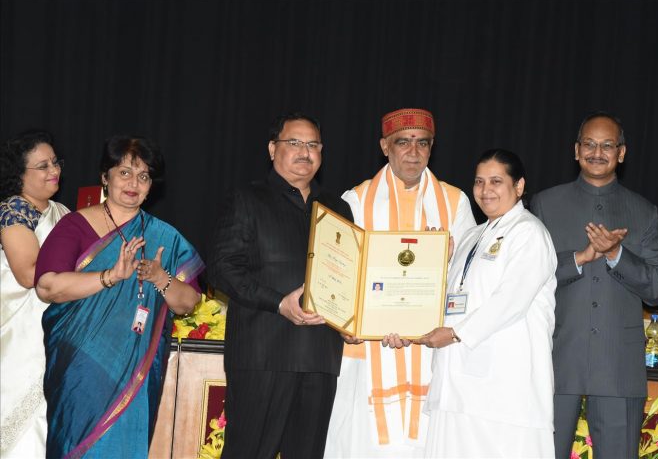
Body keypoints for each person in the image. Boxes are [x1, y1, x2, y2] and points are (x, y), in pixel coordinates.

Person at [34, 135, 203, 458]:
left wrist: (159, 277)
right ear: (105, 177)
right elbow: (48, 286)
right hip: (81, 368)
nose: (134, 183)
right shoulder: (75, 226)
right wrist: (109, 277)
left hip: (137, 371)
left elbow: (188, 303)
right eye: (124, 172)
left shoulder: (164, 237)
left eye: (143, 176)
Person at [326, 108, 475, 458]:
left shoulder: (455, 202)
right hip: (367, 351)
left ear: (432, 147)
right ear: (384, 146)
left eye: (422, 143)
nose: (413, 151)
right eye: (403, 142)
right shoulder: (356, 200)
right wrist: (345, 324)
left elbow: (470, 284)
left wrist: (450, 258)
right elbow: (339, 274)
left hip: (430, 349)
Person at [208, 113, 354, 459]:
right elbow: (222, 269)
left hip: (320, 357)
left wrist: (353, 319)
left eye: (313, 145)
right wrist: (278, 303)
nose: (305, 152)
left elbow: (349, 276)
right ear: (273, 148)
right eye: (295, 143)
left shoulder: (338, 208)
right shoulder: (246, 198)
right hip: (263, 355)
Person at [531, 112, 658, 458]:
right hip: (553, 360)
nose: (598, 152)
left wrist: (617, 254)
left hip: (618, 367)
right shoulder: (546, 205)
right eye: (590, 144)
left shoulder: (643, 211)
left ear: (621, 153)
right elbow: (527, 279)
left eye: (607, 145)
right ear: (576, 151)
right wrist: (579, 258)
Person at [411, 149, 557, 458]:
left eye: (496, 181)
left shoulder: (529, 233)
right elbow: (452, 295)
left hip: (503, 391)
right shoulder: (471, 236)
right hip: (455, 384)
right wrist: (435, 260)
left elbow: (510, 302)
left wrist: (453, 334)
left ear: (518, 187)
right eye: (479, 182)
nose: (485, 190)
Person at [0, 130, 70, 458]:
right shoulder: (14, 210)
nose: (53, 170)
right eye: (42, 166)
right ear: (19, 174)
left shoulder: (64, 213)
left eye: (55, 162)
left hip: (54, 330)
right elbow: (28, 274)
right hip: (20, 335)